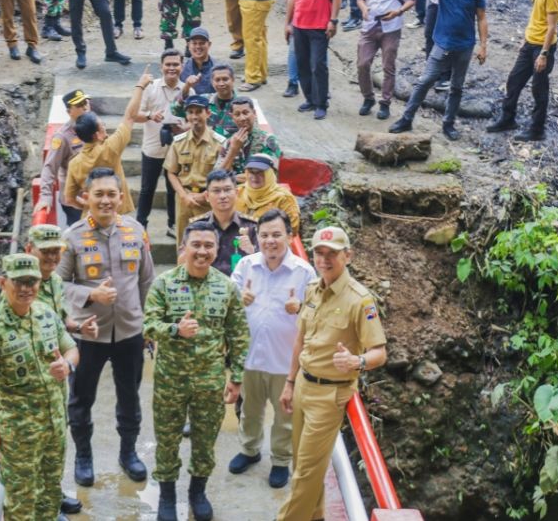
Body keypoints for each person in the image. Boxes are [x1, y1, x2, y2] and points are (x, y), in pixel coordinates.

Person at [274, 226, 387, 521]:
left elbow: (380, 352)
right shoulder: (313, 288)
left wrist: (356, 361)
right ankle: (315, 517)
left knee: (306, 475)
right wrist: (289, 382)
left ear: (347, 256)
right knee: (301, 465)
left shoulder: (360, 300)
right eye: (319, 253)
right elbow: (300, 340)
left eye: (332, 254)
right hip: (303, 386)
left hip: (330, 395)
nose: (324, 259)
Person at [143, 219, 248, 521]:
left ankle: (197, 492)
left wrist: (237, 377)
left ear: (216, 249)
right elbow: (148, 326)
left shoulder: (226, 287)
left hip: (210, 380)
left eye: (208, 245)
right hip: (170, 380)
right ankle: (166, 495)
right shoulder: (164, 284)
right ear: (184, 248)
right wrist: (176, 329)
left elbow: (239, 334)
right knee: (167, 438)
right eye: (196, 245)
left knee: (204, 440)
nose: (202, 251)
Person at [58, 167, 156, 487]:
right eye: (98, 194)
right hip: (89, 334)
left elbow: (146, 280)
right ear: (86, 198)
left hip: (129, 332)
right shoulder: (72, 236)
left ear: (121, 197)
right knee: (81, 398)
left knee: (129, 395)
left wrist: (147, 322)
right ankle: (83, 456)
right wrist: (90, 294)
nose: (106, 200)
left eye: (112, 194)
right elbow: (56, 286)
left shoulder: (136, 230)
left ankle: (128, 453)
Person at [0, 253, 80, 521]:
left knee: (51, 493)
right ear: (3, 282)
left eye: (32, 281)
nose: (26, 288)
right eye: (19, 282)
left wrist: (67, 366)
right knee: (22, 502)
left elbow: (72, 348)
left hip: (55, 425)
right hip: (21, 435)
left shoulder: (46, 313)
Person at [229, 208, 315, 488]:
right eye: (264, 235)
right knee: (250, 410)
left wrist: (301, 308)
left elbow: (318, 313)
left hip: (284, 360)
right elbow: (228, 304)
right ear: (257, 237)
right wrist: (237, 299)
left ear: (289, 237)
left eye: (277, 234)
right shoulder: (246, 266)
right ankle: (249, 449)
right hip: (251, 356)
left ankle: (280, 460)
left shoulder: (304, 272)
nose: (270, 241)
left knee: (284, 415)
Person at [24, 224, 98, 518]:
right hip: (29, 381)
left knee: (55, 441)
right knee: (33, 447)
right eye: (46, 251)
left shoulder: (54, 281)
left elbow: (59, 321)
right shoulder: (23, 287)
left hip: (56, 375)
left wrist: (79, 327)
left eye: (57, 251)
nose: (53, 257)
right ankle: (42, 505)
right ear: (30, 250)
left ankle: (52, 492)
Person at [389, 0, 487, 140]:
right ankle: (407, 118)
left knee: (456, 86)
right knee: (425, 81)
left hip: (464, 46)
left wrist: (483, 45)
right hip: (442, 44)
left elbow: (482, 18)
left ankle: (448, 124)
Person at [486, 0, 558, 142]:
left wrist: (543, 53)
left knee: (539, 88)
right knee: (514, 81)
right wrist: (526, 38)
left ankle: (537, 129)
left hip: (542, 46)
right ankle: (507, 118)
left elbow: (552, 26)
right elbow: (536, 16)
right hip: (530, 42)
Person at [63, 74, 147, 215]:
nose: (106, 131)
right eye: (103, 127)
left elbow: (69, 199)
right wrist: (140, 86)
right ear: (97, 134)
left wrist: (89, 206)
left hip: (91, 218)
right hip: (116, 215)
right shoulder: (110, 148)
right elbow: (130, 116)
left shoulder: (75, 163)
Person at [355, 0, 417, 119]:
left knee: (388, 66)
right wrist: (364, 9)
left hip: (391, 25)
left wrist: (398, 12)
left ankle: (385, 102)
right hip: (371, 23)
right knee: (362, 63)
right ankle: (368, 97)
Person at [285, 0, 342, 120]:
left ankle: (321, 102)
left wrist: (333, 20)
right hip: (299, 23)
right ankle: (309, 98)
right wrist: (288, 23)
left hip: (320, 24)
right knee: (302, 63)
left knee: (318, 64)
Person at [166, 95, 228, 242]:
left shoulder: (220, 143)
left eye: (198, 112)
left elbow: (222, 177)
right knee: (183, 243)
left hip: (209, 201)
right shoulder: (178, 142)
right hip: (185, 200)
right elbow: (171, 172)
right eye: (190, 112)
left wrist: (204, 195)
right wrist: (183, 195)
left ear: (208, 113)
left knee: (208, 243)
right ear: (186, 115)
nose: (194, 116)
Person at [136, 50, 185, 233]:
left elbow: (194, 120)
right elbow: (135, 114)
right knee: (147, 189)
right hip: (152, 149)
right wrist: (150, 116)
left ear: (182, 66)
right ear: (161, 66)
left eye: (176, 64)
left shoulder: (188, 89)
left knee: (174, 190)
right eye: (168, 64)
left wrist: (182, 128)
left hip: (178, 149)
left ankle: (173, 224)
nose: (172, 68)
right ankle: (141, 225)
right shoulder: (151, 87)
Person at [186, 169, 259, 275]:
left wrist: (252, 251)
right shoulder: (196, 227)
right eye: (216, 191)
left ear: (236, 193)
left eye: (227, 190)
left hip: (241, 287)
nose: (222, 196)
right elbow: (185, 263)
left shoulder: (252, 226)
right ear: (207, 196)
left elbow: (263, 266)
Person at [36, 89, 92, 225]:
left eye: (85, 103)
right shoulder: (62, 137)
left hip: (93, 194)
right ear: (69, 111)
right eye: (79, 105)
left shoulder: (94, 128)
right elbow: (50, 167)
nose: (85, 107)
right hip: (74, 198)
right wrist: (46, 196)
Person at [216, 97, 282, 177]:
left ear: (254, 113)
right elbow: (218, 176)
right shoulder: (229, 143)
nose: (242, 118)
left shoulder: (268, 140)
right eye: (237, 114)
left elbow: (272, 174)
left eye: (245, 113)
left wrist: (233, 178)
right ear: (232, 117)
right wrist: (233, 150)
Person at [235, 153, 300, 233]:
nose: (255, 177)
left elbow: (291, 230)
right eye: (251, 172)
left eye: (260, 173)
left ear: (270, 174)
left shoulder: (283, 199)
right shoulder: (238, 191)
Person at [173, 64, 240, 141]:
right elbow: (176, 110)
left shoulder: (241, 106)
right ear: (212, 82)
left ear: (233, 80)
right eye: (217, 80)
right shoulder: (203, 101)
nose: (221, 83)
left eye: (225, 79)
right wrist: (187, 87)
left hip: (231, 151)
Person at [180, 28, 216, 95]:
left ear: (209, 44)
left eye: (202, 43)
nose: (198, 46)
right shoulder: (182, 68)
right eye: (194, 43)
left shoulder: (218, 68)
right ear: (188, 45)